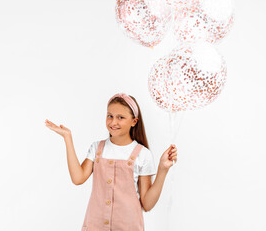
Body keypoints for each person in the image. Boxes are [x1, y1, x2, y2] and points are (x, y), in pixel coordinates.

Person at [45, 92, 178, 231]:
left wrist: (163, 169)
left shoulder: (143, 154)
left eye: (120, 117)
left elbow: (147, 203)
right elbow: (78, 178)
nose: (113, 122)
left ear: (134, 121)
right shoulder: (97, 148)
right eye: (110, 116)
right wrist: (67, 138)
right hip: (95, 226)